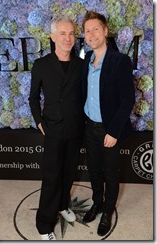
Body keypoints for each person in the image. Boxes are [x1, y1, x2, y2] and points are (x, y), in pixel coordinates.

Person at [29, 15, 85, 240]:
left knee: (69, 172)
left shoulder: (81, 65)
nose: (68, 38)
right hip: (52, 128)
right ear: (52, 37)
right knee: (52, 176)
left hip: (75, 128)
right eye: (63, 33)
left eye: (71, 33)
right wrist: (39, 121)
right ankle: (43, 224)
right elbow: (33, 98)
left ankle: (63, 205)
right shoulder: (41, 65)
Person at [81, 11, 135, 236]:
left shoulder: (119, 60)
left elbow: (127, 99)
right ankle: (97, 203)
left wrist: (113, 131)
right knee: (94, 170)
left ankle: (107, 212)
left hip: (109, 130)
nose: (91, 34)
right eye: (87, 31)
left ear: (105, 31)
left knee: (111, 173)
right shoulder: (86, 62)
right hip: (89, 127)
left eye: (96, 29)